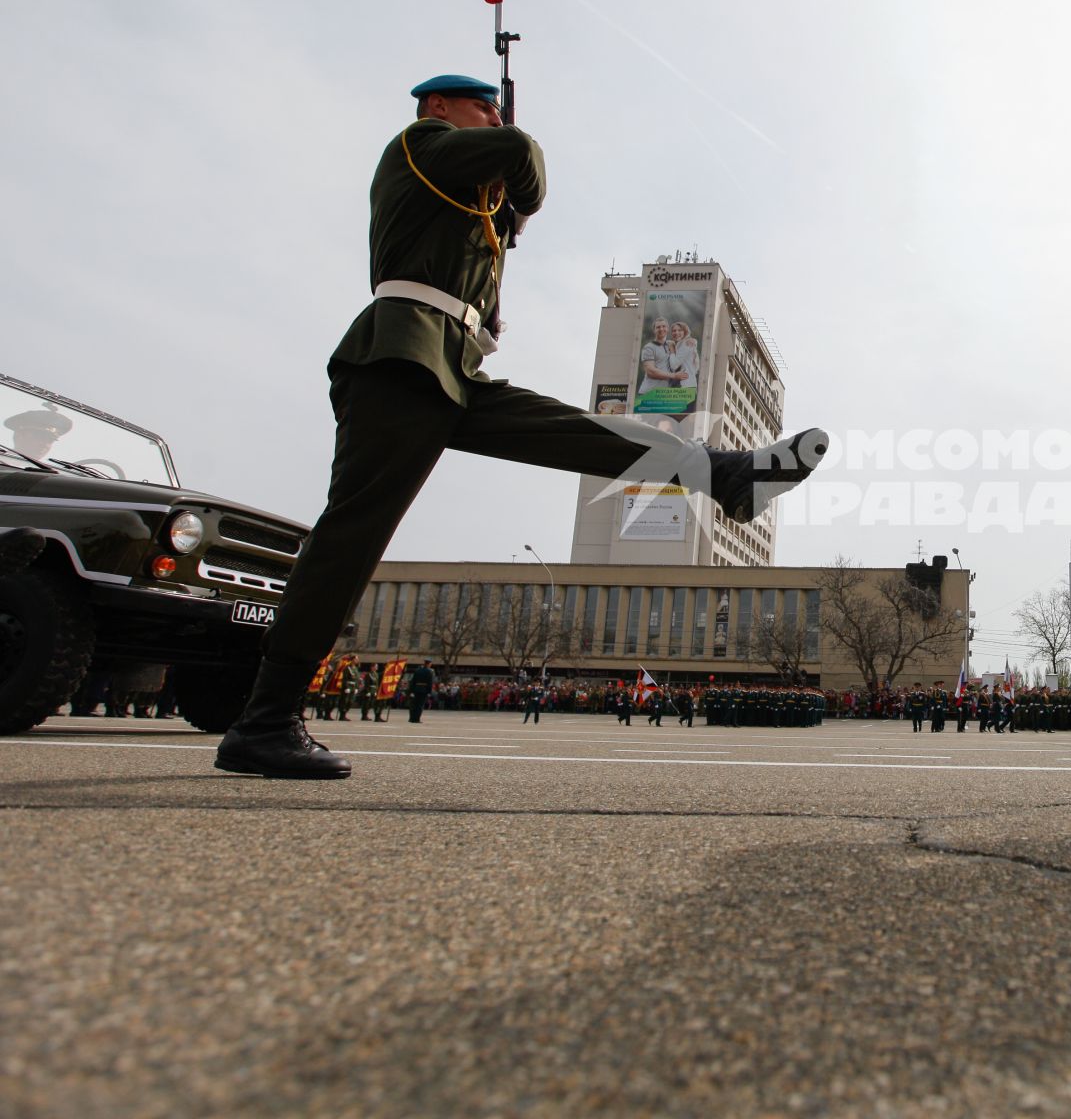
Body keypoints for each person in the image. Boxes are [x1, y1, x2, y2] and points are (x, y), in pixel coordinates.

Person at [213, 73, 829, 780]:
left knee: (590, 434)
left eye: (493, 107)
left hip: (451, 369)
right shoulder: (420, 144)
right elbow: (525, 157)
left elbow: (506, 206)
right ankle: (263, 721)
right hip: (399, 358)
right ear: (438, 105)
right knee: (354, 534)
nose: (491, 116)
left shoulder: (465, 194)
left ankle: (728, 475)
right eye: (481, 105)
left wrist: (504, 220)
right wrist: (510, 159)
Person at [406, 659, 434, 724]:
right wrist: (429, 692)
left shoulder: (417, 670)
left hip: (416, 689)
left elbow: (413, 681)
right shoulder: (430, 671)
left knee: (414, 704)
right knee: (420, 705)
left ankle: (411, 718)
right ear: (429, 664)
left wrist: (411, 691)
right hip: (423, 690)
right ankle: (416, 719)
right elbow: (430, 682)